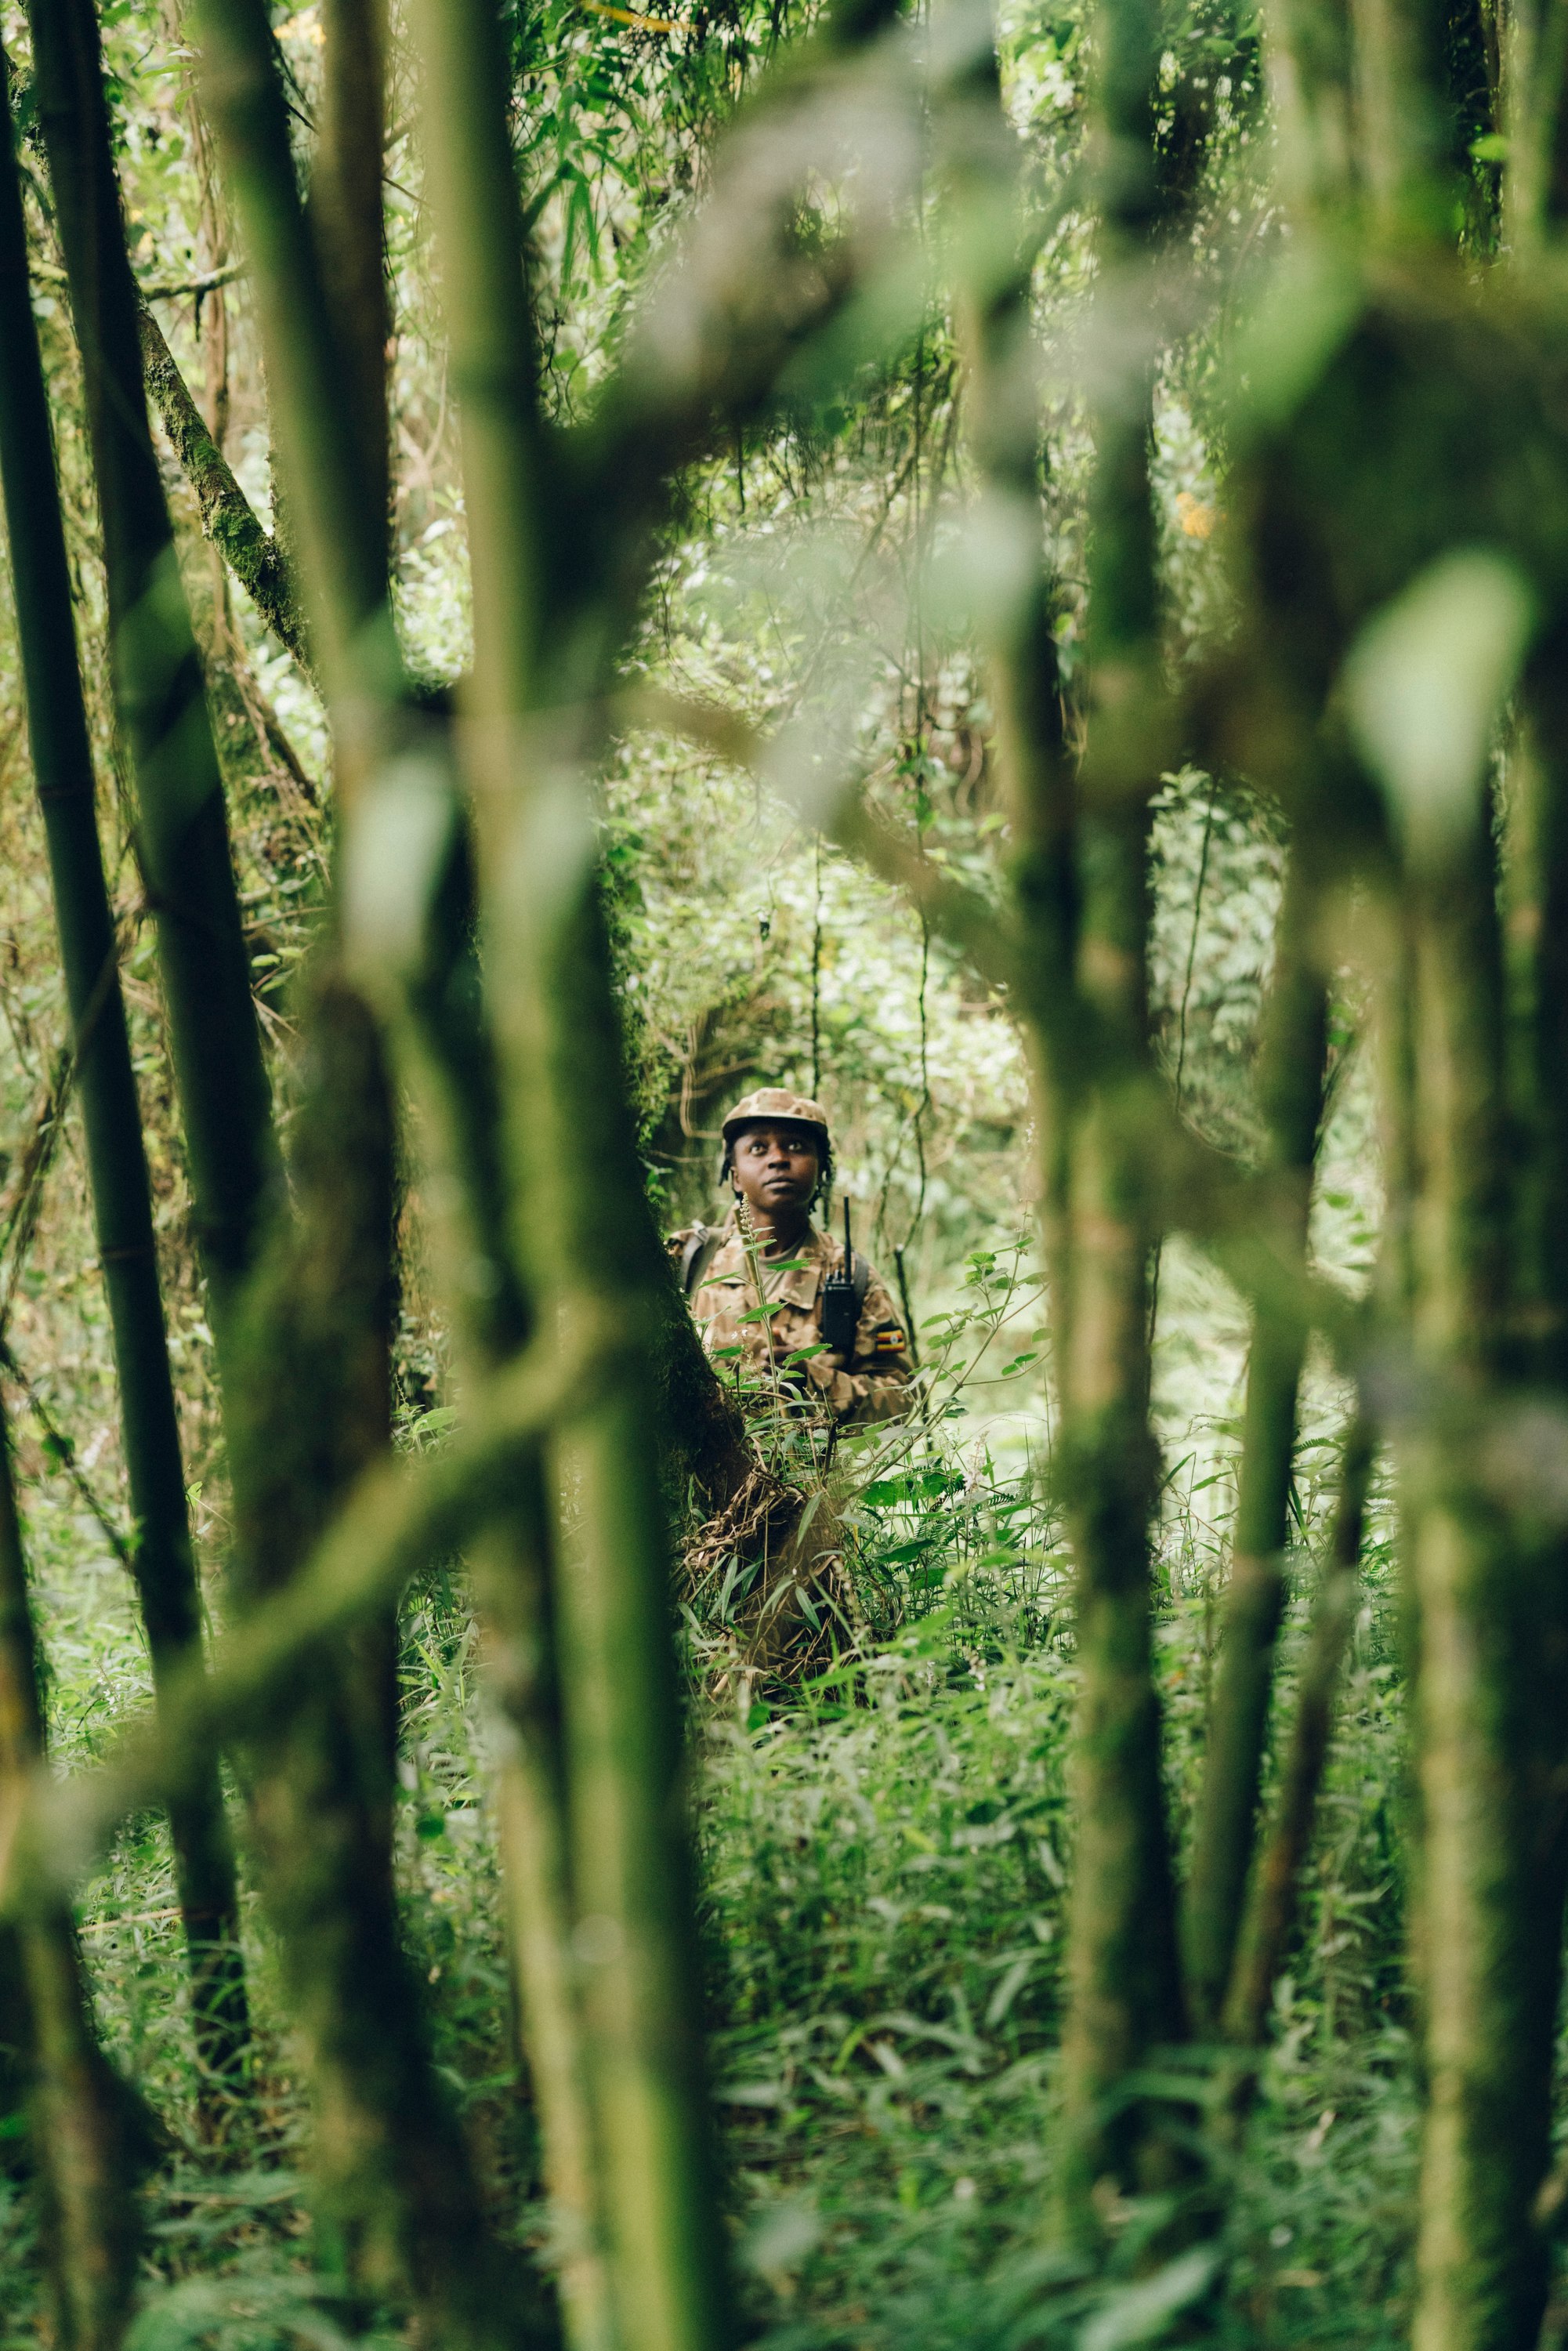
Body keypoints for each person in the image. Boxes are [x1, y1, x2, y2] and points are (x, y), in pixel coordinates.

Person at [668, 1087, 913, 1425]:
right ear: (735, 1174)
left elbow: (903, 1398)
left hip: (810, 1478)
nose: (778, 1158)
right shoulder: (686, 1259)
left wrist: (810, 1381)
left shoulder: (851, 1276)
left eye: (796, 1146)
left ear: (819, 1169)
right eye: (758, 1148)